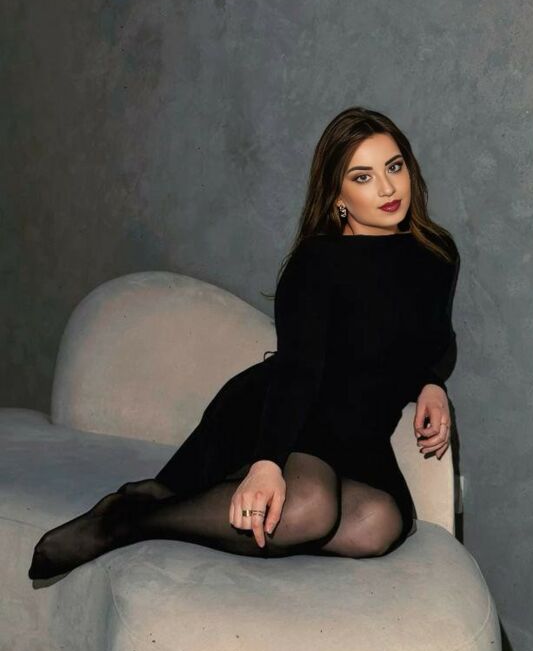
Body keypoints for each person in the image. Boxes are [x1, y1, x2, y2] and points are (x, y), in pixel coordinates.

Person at [28, 106, 460, 580]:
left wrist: (430, 384)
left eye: (394, 167)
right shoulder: (317, 261)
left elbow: (431, 337)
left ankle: (157, 508)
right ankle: (127, 521)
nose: (387, 188)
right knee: (310, 508)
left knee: (376, 526)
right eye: (363, 176)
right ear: (338, 195)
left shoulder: (436, 254)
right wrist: (267, 463)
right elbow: (298, 370)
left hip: (360, 432)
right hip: (294, 412)